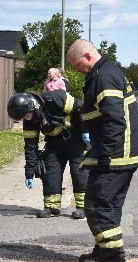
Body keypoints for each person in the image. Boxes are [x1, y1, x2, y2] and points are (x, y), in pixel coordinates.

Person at [67, 39, 138, 262]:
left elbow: (114, 120)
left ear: (88, 56)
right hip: (119, 152)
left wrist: (105, 155)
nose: (77, 70)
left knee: (97, 204)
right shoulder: (104, 73)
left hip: (116, 155)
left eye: (77, 64)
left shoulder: (103, 77)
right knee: (108, 205)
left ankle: (112, 257)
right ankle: (104, 249)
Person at [7, 90, 89, 219]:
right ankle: (52, 207)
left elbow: (81, 108)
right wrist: (29, 171)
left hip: (76, 138)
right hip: (54, 143)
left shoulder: (55, 98)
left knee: (79, 171)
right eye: (23, 118)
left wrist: (86, 129)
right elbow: (30, 146)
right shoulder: (30, 119)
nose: (26, 119)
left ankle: (84, 207)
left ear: (32, 106)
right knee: (51, 172)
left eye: (26, 116)